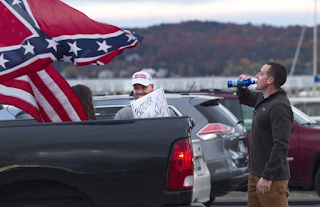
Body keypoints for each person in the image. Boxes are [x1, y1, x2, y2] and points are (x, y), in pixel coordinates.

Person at [236, 62, 293, 207]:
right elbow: (245, 98)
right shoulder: (262, 99)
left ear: (270, 80)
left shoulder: (279, 106)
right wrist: (242, 89)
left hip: (271, 179)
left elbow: (281, 145)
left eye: (261, 73)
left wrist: (267, 176)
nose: (256, 76)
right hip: (255, 173)